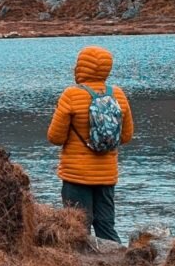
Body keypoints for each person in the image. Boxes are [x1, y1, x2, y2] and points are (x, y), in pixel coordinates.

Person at [47, 45, 134, 243]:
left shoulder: (71, 94)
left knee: (77, 228)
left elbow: (55, 137)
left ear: (81, 67)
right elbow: (126, 136)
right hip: (106, 175)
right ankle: (119, 264)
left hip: (76, 175)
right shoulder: (118, 94)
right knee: (105, 225)